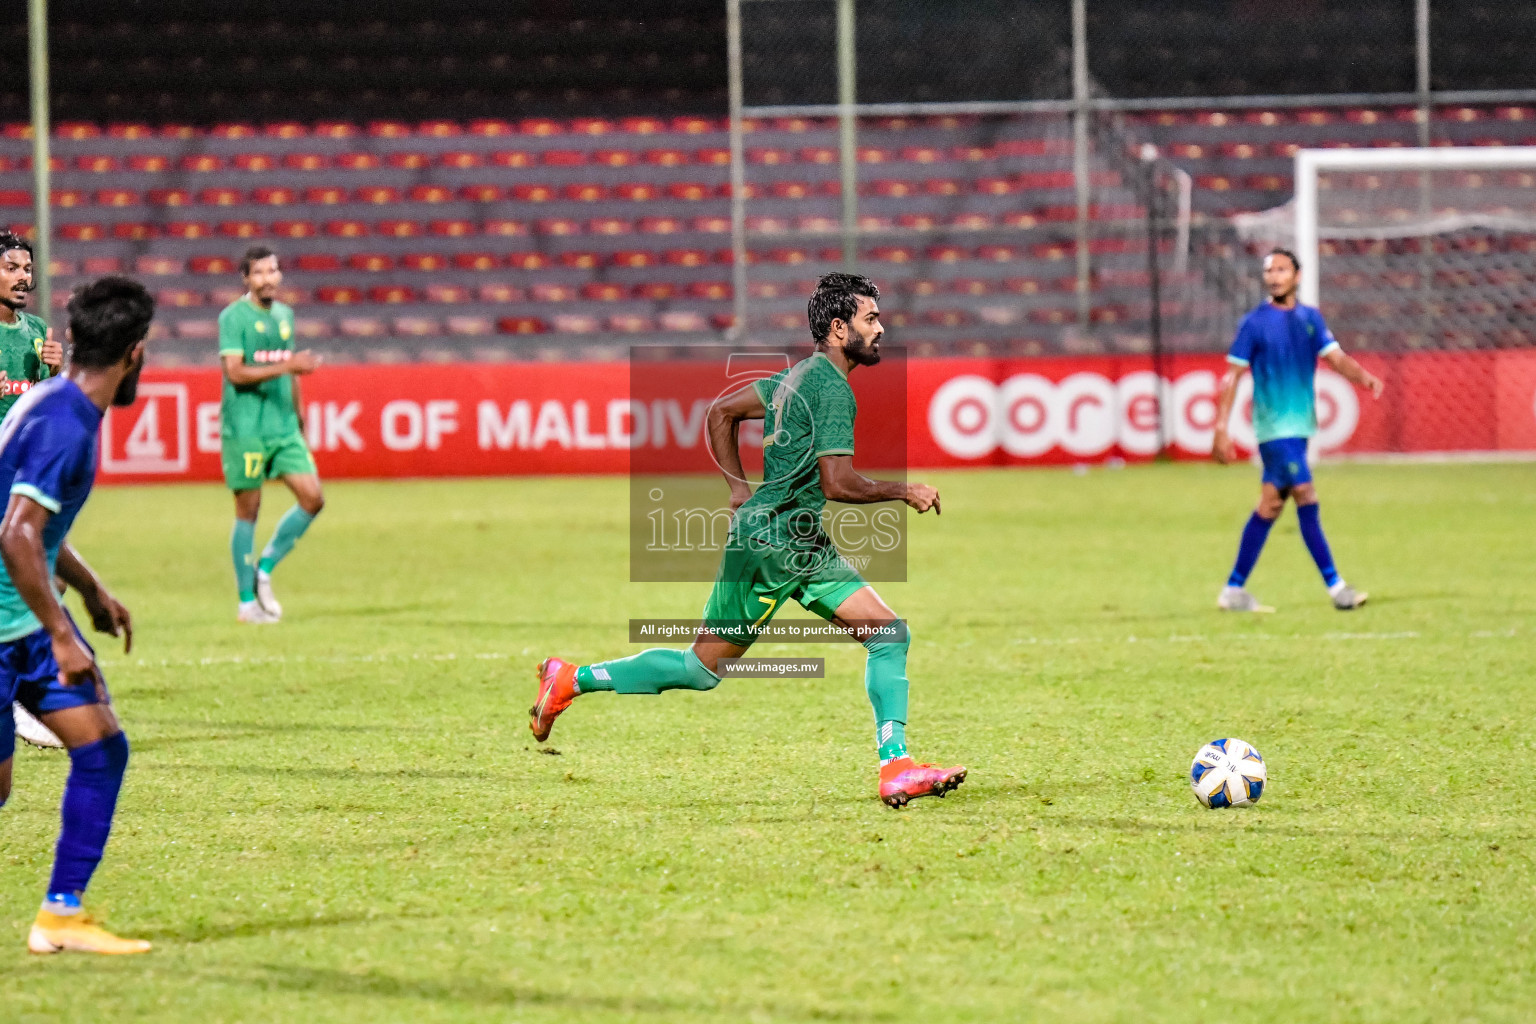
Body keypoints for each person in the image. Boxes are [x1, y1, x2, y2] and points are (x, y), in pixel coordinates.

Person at [530, 273, 966, 808]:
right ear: (837, 328)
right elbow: (839, 482)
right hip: (777, 547)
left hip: (792, 541)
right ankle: (572, 679)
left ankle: (570, 679)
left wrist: (740, 490)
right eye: (870, 318)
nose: (881, 328)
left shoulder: (795, 377)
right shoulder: (830, 387)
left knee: (882, 637)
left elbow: (721, 412)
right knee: (708, 668)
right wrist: (904, 490)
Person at [0, 276, 154, 954]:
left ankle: (60, 915)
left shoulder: (53, 404)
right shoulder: (66, 426)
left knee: (101, 745)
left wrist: (89, 590)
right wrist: (65, 634)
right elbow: (17, 533)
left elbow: (36, 528)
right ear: (135, 354)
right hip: (17, 625)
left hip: (21, 619)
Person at [1212, 248, 1384, 612]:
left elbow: (1335, 357)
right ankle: (1337, 588)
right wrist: (1220, 427)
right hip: (1274, 429)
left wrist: (1362, 377)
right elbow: (1232, 376)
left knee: (1271, 505)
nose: (1274, 276)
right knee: (1305, 493)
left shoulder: (1310, 318)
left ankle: (1233, 590)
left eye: (1281, 269)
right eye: (1268, 270)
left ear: (1297, 276)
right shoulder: (1254, 323)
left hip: (1301, 427)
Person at [217, 246, 323, 624]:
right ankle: (247, 603)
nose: (267, 278)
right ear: (246, 279)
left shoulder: (284, 316)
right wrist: (287, 364)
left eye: (273, 270)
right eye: (259, 272)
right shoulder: (233, 317)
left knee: (312, 498)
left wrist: (299, 415)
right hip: (246, 428)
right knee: (249, 510)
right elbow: (236, 373)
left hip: (282, 426)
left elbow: (291, 372)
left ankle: (264, 568)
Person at [0, 231, 66, 750]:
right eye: (12, 267)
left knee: (47, 584)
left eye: (27, 267)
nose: (24, 275)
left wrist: (53, 372)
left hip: (22, 480)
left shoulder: (38, 332)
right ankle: (21, 702)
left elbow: (41, 406)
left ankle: (20, 697)